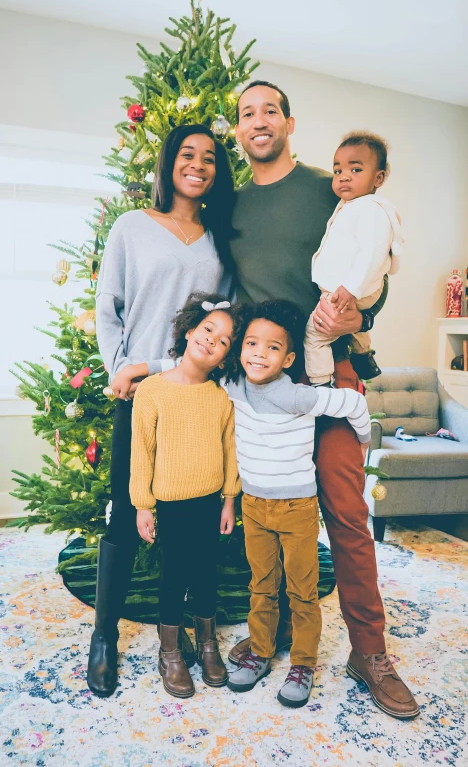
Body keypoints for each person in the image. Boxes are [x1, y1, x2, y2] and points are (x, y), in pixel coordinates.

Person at [228, 80, 420, 720]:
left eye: (270, 111)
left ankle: (370, 652)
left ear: (288, 121)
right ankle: (273, 635)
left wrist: (356, 320)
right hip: (263, 384)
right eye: (247, 113)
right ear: (238, 130)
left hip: (330, 371)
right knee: (265, 509)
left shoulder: (329, 187)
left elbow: (377, 275)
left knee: (345, 513)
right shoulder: (229, 204)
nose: (260, 121)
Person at [87, 124, 236, 698]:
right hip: (142, 396)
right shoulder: (132, 228)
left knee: (195, 522)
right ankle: (104, 635)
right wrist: (119, 369)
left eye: (209, 159)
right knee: (125, 511)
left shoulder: (220, 241)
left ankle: (194, 635)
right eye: (187, 154)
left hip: (197, 398)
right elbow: (109, 308)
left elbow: (220, 326)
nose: (198, 165)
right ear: (169, 162)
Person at [224, 300, 371, 709]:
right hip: (253, 507)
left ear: (289, 358)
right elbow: (183, 367)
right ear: (240, 349)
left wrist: (363, 442)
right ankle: (260, 651)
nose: (258, 352)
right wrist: (142, 370)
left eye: (272, 347)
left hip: (296, 510)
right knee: (261, 586)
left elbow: (355, 404)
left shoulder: (300, 396)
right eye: (251, 343)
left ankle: (303, 663)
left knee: (302, 592)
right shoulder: (232, 385)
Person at [129, 293, 242, 698]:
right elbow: (142, 450)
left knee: (207, 574)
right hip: (171, 506)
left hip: (210, 504)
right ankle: (171, 650)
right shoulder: (153, 391)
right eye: (208, 329)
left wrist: (230, 500)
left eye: (224, 340)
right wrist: (143, 504)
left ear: (227, 357)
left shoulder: (220, 398)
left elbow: (230, 451)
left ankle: (208, 643)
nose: (212, 340)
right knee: (174, 575)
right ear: (190, 330)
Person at [304, 131, 404, 385]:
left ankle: (321, 383)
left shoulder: (372, 210)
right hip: (350, 289)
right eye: (337, 171)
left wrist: (351, 288)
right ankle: (362, 357)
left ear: (378, 178)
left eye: (356, 169)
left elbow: (372, 255)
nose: (344, 176)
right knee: (351, 324)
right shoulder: (351, 205)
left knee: (315, 335)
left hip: (348, 289)